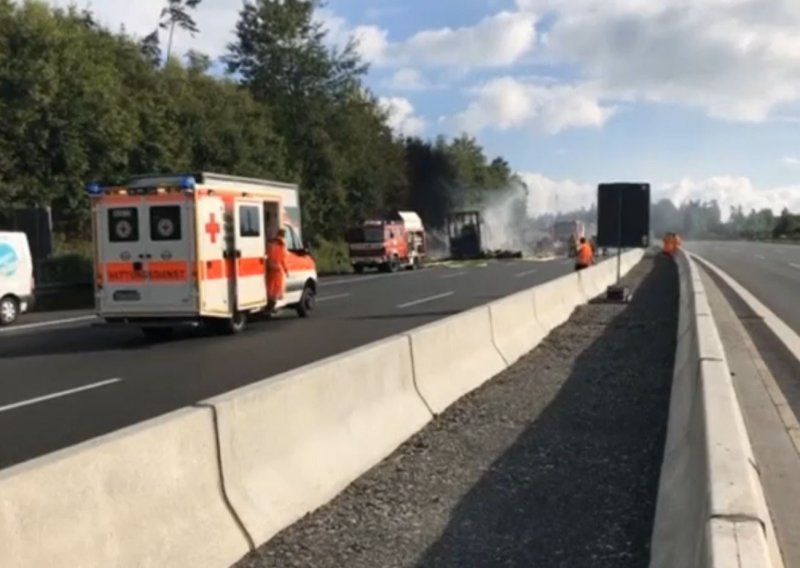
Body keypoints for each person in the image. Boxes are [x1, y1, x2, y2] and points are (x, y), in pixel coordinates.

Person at [266, 228, 289, 310]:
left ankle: (268, 299)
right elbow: (283, 259)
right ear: (283, 235)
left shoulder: (271, 242)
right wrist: (286, 270)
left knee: (270, 284)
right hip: (277, 267)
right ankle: (272, 303)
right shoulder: (282, 244)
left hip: (269, 265)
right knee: (277, 286)